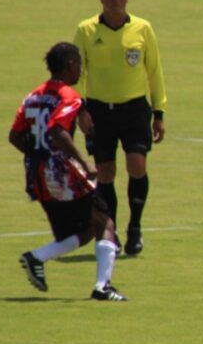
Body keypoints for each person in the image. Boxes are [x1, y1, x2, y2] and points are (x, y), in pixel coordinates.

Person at [11, 42, 127, 301]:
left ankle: (38, 257)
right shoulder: (68, 96)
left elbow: (14, 136)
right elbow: (57, 130)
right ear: (70, 65)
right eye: (79, 65)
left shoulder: (33, 96)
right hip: (62, 172)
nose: (81, 71)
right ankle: (102, 288)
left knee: (86, 229)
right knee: (105, 220)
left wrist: (36, 156)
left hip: (36, 173)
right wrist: (85, 165)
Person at [74, 0, 166, 257]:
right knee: (106, 172)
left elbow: (154, 71)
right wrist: (80, 109)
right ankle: (110, 232)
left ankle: (135, 228)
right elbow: (78, 73)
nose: (116, 0)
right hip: (100, 111)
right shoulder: (87, 30)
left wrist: (159, 111)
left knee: (137, 166)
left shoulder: (143, 28)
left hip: (135, 109)